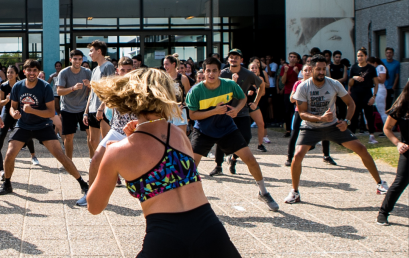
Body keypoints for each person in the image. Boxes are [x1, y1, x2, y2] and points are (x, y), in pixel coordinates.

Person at [87, 68, 242, 258]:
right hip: (210, 231)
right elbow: (169, 167)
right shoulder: (178, 133)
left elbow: (94, 207)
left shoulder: (117, 151)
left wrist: (111, 157)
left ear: (129, 96)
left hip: (164, 238)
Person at [284, 55, 389, 204]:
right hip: (311, 127)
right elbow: (302, 113)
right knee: (297, 156)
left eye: (324, 69)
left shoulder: (333, 84)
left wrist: (346, 121)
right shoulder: (303, 87)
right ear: (312, 69)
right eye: (318, 69)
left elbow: (351, 104)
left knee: (361, 148)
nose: (321, 72)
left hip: (333, 126)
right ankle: (295, 192)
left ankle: (380, 183)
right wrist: (320, 118)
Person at [186, 56, 279, 211]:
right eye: (208, 71)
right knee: (190, 165)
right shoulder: (196, 91)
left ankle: (263, 192)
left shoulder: (229, 85)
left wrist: (236, 109)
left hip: (226, 128)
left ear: (219, 72)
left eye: (214, 71)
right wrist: (214, 111)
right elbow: (193, 115)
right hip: (203, 130)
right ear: (204, 72)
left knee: (250, 159)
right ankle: (187, 198)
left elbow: (242, 98)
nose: (211, 74)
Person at [0, 60, 88, 198]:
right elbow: (12, 106)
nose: (32, 73)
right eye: (29, 70)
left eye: (35, 70)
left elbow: (50, 112)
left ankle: (83, 183)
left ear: (38, 72)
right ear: (24, 72)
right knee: (9, 154)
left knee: (60, 155)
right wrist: (13, 113)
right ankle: (7, 184)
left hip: (43, 126)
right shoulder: (17, 86)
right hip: (23, 125)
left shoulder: (45, 87)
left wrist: (32, 110)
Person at [88, 56, 137, 195]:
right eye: (123, 70)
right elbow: (107, 97)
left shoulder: (139, 86)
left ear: (133, 70)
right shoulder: (114, 84)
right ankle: (90, 194)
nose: (126, 72)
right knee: (95, 160)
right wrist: (100, 108)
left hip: (135, 131)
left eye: (129, 70)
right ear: (118, 70)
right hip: (116, 130)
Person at [211, 49, 263, 175]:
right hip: (225, 110)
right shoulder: (222, 73)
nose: (233, 59)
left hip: (242, 111)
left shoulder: (247, 74)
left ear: (241, 60)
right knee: (220, 137)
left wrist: (255, 102)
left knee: (246, 137)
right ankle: (218, 166)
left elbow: (261, 85)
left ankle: (233, 158)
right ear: (228, 60)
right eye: (231, 57)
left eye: (236, 57)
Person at [285, 64, 336, 167]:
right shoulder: (298, 84)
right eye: (305, 70)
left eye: (309, 70)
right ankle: (290, 157)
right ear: (302, 72)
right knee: (294, 133)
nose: (307, 72)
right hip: (300, 111)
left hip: (315, 112)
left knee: (324, 131)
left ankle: (326, 155)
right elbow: (291, 99)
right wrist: (300, 91)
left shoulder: (317, 84)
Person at [377, 81, 409, 226]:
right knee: (400, 182)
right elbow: (387, 128)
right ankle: (383, 213)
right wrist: (398, 143)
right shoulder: (401, 107)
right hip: (407, 150)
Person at [0, 66, 38, 179]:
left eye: (11, 72)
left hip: (20, 111)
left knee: (27, 134)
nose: (9, 74)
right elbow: (0, 103)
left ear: (16, 74)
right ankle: (1, 168)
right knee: (1, 135)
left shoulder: (21, 84)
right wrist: (6, 100)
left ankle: (33, 156)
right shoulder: (3, 86)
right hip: (8, 111)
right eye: (8, 72)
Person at [56, 50, 93, 163]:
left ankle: (93, 160)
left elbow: (95, 89)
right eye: (75, 59)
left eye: (80, 59)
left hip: (84, 108)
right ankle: (69, 162)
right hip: (67, 108)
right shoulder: (64, 72)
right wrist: (73, 88)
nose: (78, 61)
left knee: (90, 135)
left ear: (83, 60)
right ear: (70, 59)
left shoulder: (87, 72)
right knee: (69, 137)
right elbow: (59, 91)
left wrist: (89, 85)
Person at [83, 40, 115, 159]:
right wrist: (86, 112)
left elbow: (110, 89)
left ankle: (111, 172)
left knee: (106, 143)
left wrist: (101, 108)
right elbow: (93, 92)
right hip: (92, 109)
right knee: (92, 141)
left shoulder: (109, 66)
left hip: (103, 110)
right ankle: (97, 167)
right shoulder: (95, 69)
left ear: (99, 51)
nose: (90, 54)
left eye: (91, 51)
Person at [348, 47, 379, 144]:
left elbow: (376, 84)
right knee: (354, 115)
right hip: (356, 93)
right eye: (358, 56)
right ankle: (352, 135)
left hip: (367, 93)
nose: (359, 57)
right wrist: (354, 77)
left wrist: (374, 97)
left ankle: (372, 135)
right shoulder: (354, 67)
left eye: (361, 55)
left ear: (366, 56)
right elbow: (349, 83)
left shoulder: (371, 68)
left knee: (369, 115)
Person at [163, 55, 190, 132]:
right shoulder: (163, 79)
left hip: (180, 110)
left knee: (180, 137)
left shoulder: (183, 78)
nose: (165, 66)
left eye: (167, 64)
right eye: (164, 64)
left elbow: (189, 96)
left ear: (173, 64)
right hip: (167, 110)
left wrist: (183, 106)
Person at [280, 52, 303, 137]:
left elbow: (302, 80)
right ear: (288, 58)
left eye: (294, 57)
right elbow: (283, 81)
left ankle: (298, 129)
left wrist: (297, 72)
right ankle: (288, 130)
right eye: (291, 57)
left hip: (299, 91)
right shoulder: (284, 67)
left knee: (298, 110)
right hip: (288, 91)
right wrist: (285, 72)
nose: (292, 58)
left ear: (297, 59)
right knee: (287, 111)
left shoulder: (300, 67)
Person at [248, 62, 267, 152]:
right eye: (252, 68)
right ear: (249, 70)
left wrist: (256, 90)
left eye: (256, 68)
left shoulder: (260, 79)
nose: (254, 69)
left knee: (261, 123)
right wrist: (247, 93)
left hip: (254, 104)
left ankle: (260, 144)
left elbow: (263, 93)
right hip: (244, 105)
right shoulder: (245, 79)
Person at [367, 57, 389, 125]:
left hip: (380, 90)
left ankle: (387, 128)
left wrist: (372, 76)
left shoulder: (380, 67)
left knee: (382, 110)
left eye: (370, 64)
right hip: (372, 90)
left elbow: (382, 79)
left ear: (375, 63)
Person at [328, 50, 348, 120]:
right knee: (334, 105)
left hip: (341, 88)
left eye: (339, 57)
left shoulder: (343, 66)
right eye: (336, 57)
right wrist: (335, 82)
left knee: (342, 105)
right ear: (333, 57)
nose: (338, 58)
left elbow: (345, 78)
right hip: (332, 89)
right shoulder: (329, 66)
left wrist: (336, 81)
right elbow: (329, 78)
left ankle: (343, 119)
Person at [265, 55, 278, 126]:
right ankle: (267, 118)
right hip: (267, 85)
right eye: (266, 58)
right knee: (266, 102)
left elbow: (271, 74)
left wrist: (267, 65)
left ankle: (272, 117)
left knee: (270, 102)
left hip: (272, 85)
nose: (267, 59)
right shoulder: (265, 66)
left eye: (269, 57)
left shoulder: (274, 65)